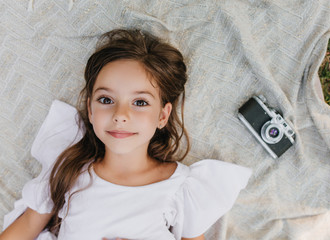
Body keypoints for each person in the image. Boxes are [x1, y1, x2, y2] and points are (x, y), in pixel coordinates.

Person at [0, 29, 252, 240]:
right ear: (90, 109)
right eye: (106, 99)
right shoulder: (69, 170)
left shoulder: (182, 186)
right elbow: (23, 230)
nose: (120, 115)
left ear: (163, 116)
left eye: (140, 102)